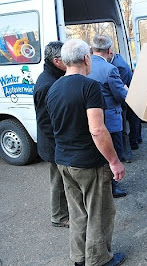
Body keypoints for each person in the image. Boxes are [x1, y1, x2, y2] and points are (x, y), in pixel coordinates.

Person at [46, 39, 126, 266]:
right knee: (99, 213)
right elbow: (98, 130)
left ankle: (79, 258)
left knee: (78, 213)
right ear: (86, 59)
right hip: (89, 162)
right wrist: (114, 161)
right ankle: (99, 259)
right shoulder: (89, 87)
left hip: (64, 160)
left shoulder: (54, 87)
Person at [33, 41, 69, 228]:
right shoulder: (47, 84)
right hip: (53, 144)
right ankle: (59, 217)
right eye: (66, 58)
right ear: (56, 61)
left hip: (55, 143)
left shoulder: (52, 77)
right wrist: (60, 144)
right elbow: (45, 121)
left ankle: (62, 213)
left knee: (61, 180)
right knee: (58, 181)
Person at [88, 34, 128, 198]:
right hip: (110, 119)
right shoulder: (110, 69)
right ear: (110, 50)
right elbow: (120, 95)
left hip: (92, 118)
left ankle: (101, 186)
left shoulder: (86, 65)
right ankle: (112, 187)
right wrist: (126, 89)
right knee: (114, 153)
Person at [110, 52, 143, 151]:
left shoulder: (119, 66)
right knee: (134, 119)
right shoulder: (117, 59)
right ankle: (137, 139)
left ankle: (133, 142)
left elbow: (121, 86)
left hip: (130, 94)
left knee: (132, 119)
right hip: (133, 93)